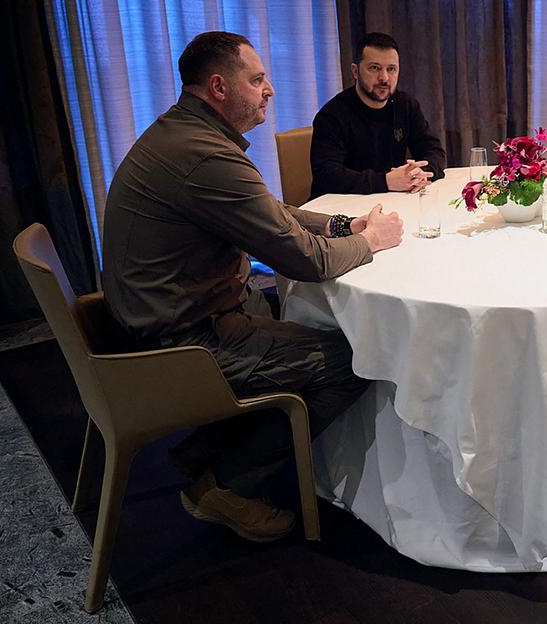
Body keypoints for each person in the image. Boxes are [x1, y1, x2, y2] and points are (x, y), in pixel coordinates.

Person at [102, 31, 404, 542]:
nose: (270, 90)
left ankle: (209, 446)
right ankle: (225, 485)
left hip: (157, 317)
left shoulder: (183, 135)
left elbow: (271, 215)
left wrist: (339, 226)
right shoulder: (207, 158)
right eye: (258, 79)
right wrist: (372, 240)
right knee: (357, 360)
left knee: (286, 315)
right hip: (181, 345)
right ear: (219, 86)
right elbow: (306, 262)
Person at [309, 32, 446, 198]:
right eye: (374, 68)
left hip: (393, 201)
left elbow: (434, 151)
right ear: (355, 71)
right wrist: (385, 181)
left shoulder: (406, 105)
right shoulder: (331, 116)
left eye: (391, 69)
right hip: (343, 210)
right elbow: (327, 175)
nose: (384, 78)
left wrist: (420, 173)